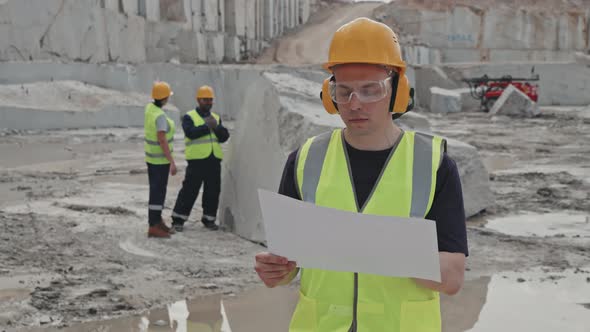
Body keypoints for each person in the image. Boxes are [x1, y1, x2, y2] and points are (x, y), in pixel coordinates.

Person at [254, 18, 468, 331]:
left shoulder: (433, 166)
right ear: (330, 95)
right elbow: (290, 264)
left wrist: (377, 249)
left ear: (396, 91)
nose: (355, 104)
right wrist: (276, 270)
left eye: (371, 90)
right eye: (344, 91)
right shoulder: (305, 161)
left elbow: (452, 277)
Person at [171, 85, 230, 232]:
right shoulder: (189, 116)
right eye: (205, 100)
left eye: (210, 100)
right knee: (189, 190)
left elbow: (224, 137)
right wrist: (206, 127)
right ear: (198, 100)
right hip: (197, 161)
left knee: (213, 191)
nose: (208, 103)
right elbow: (190, 133)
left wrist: (216, 127)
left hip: (213, 159)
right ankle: (178, 219)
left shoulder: (215, 118)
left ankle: (209, 219)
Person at [144, 81, 177, 238]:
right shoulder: (160, 116)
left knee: (155, 191)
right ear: (164, 98)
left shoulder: (150, 109)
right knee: (158, 193)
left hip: (151, 159)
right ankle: (153, 225)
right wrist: (171, 161)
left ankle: (157, 221)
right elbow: (162, 139)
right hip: (160, 161)